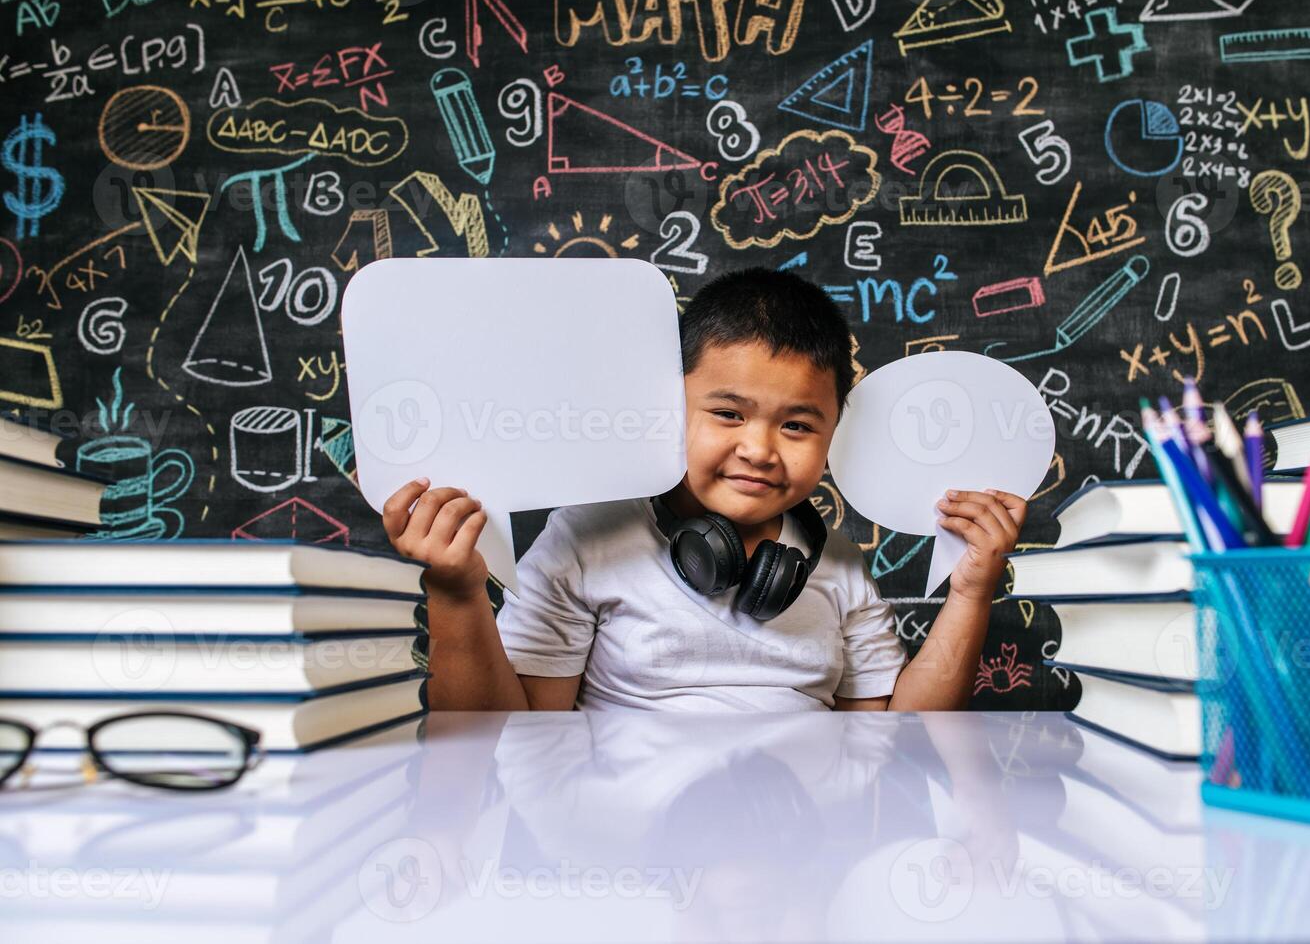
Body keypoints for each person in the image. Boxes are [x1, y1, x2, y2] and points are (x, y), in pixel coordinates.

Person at [383, 267, 1025, 711]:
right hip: (634, 872)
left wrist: (972, 591)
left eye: (797, 425)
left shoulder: (837, 566)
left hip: (805, 856)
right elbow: (497, 741)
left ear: (836, 434)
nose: (759, 449)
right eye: (727, 414)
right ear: (668, 406)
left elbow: (907, 740)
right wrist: (456, 590)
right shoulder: (585, 540)